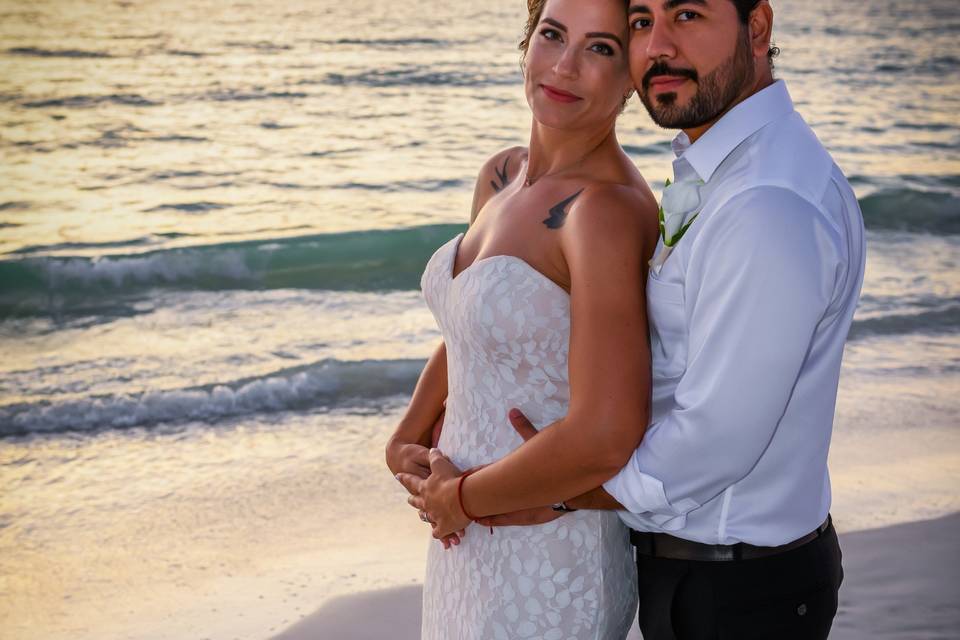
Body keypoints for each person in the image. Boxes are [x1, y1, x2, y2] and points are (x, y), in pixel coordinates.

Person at [401, 1, 866, 639]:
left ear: (756, 26)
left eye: (688, 15)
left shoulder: (764, 205)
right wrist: (414, 439)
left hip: (730, 579)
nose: (658, 47)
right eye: (643, 22)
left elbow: (706, 441)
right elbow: (479, 331)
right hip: (651, 562)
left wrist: (503, 497)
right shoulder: (716, 171)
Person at [385, 0, 661, 637]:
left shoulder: (605, 211)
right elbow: (473, 332)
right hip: (463, 540)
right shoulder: (502, 175)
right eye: (552, 35)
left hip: (548, 546)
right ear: (526, 39)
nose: (563, 66)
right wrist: (408, 434)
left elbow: (605, 435)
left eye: (600, 49)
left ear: (631, 78)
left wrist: (456, 500)